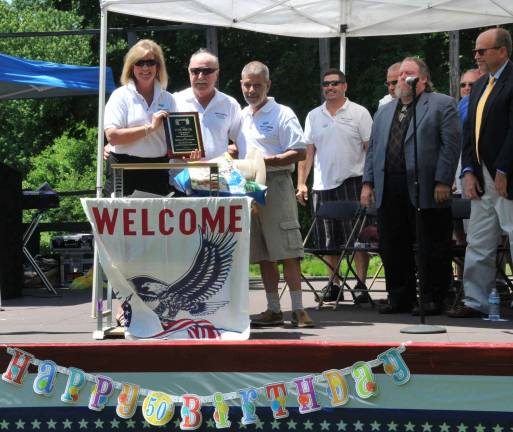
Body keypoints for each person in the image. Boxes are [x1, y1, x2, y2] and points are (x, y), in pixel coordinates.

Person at [361, 57, 460, 315]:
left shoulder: (441, 104)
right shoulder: (383, 111)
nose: (402, 78)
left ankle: (433, 297)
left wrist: (443, 180)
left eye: (409, 73)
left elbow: (450, 146)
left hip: (427, 185)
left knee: (432, 244)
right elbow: (373, 150)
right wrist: (367, 183)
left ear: (423, 79)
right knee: (392, 244)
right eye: (400, 73)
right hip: (389, 185)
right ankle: (399, 297)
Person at [237, 61, 314, 328]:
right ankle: (273, 309)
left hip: (277, 180)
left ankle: (299, 309)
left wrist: (270, 161)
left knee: (287, 249)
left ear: (268, 85)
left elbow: (301, 150)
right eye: (247, 84)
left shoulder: (282, 113)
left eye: (257, 85)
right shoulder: (242, 115)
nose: (251, 89)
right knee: (261, 251)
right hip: (249, 184)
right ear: (241, 84)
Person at [447, 27, 513, 318]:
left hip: (505, 174)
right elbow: (468, 133)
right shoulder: (479, 85)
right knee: (478, 238)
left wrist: (504, 168)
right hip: (480, 176)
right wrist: (469, 170)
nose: (476, 56)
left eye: (481, 50)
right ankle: (475, 301)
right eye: (475, 50)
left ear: (502, 51)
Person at [297, 68, 372, 303]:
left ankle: (360, 285)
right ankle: (333, 285)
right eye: (326, 84)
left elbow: (370, 150)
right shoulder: (313, 116)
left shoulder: (359, 113)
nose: (330, 88)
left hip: (354, 182)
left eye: (335, 83)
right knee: (327, 240)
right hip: (322, 185)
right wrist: (301, 182)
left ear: (345, 86)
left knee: (358, 239)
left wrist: (369, 184)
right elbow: (307, 153)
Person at [104, 39, 176, 197]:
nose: (145, 68)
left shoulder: (168, 99)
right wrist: (150, 128)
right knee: (119, 221)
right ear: (131, 66)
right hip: (123, 169)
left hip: (157, 170)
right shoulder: (120, 96)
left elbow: (176, 140)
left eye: (150, 62)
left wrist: (189, 150)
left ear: (158, 66)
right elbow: (112, 137)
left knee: (156, 222)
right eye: (139, 62)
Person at [174, 49, 242, 160]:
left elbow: (241, 141)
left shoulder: (230, 104)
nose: (200, 76)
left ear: (217, 73)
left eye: (206, 71)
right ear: (189, 72)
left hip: (217, 174)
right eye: (195, 71)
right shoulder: (174, 101)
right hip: (181, 174)